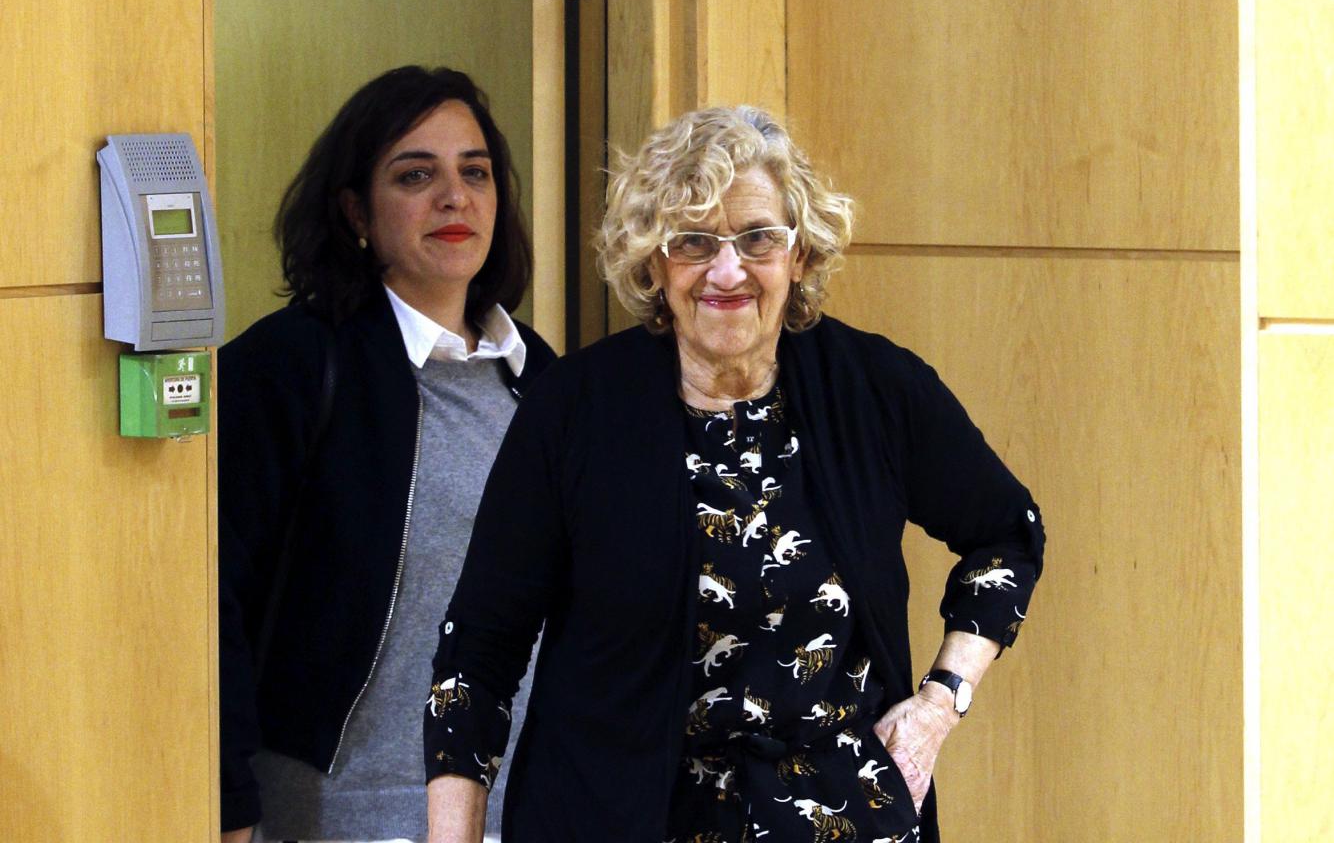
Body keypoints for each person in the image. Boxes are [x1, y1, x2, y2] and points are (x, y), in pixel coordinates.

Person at [422, 104, 1044, 843]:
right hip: (617, 817)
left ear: (798, 254)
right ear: (653, 262)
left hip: (840, 818)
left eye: (757, 238)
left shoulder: (873, 387)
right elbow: (478, 653)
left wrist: (940, 702)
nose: (727, 270)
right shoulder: (575, 408)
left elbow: (1007, 533)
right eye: (692, 242)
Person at [218, 64, 555, 843]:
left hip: (520, 805)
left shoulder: (540, 376)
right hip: (338, 813)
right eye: (415, 175)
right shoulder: (289, 367)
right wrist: (229, 807)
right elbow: (216, 602)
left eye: (475, 172)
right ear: (355, 211)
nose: (454, 197)